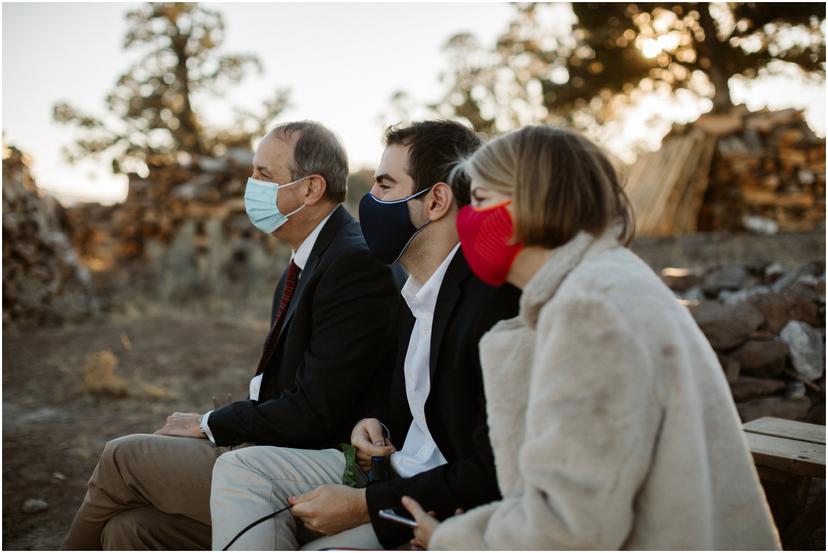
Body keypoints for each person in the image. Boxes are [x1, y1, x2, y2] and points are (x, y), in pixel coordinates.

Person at [402, 125, 781, 550]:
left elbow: (570, 529)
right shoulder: (605, 282)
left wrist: (451, 540)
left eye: (482, 201)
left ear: (533, 201)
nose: (468, 220)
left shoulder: (589, 310)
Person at [61, 121, 400, 550]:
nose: (250, 185)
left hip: (317, 460)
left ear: (311, 189)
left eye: (263, 174)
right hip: (282, 443)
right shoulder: (307, 260)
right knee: (128, 530)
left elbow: (314, 413)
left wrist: (209, 424)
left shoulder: (353, 264)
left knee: (122, 457)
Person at [209, 120, 521, 550]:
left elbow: (491, 469)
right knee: (235, 474)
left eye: (385, 187)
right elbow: (415, 412)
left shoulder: (488, 306)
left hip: (441, 510)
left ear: (434, 201)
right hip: (394, 479)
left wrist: (366, 504)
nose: (369, 203)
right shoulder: (416, 294)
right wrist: (373, 426)